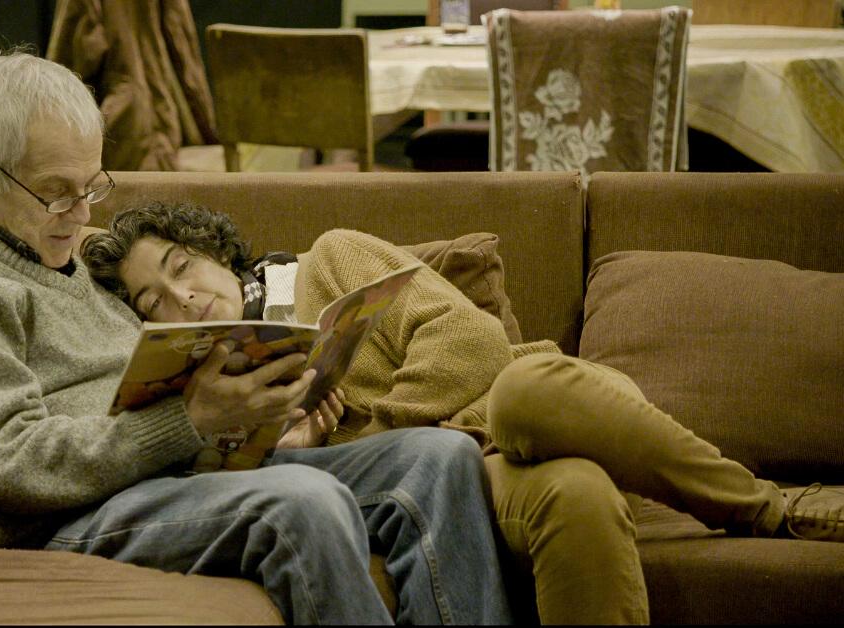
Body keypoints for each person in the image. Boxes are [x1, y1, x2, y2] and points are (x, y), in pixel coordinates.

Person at [0, 49, 512, 625]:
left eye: (91, 187)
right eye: (57, 193)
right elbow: (9, 465)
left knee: (438, 459)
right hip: (67, 516)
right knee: (303, 502)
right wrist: (189, 420)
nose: (82, 215)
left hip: (172, 476)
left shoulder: (56, 251)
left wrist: (253, 410)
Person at [81, 199, 825, 625]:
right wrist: (301, 449)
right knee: (578, 497)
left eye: (180, 269)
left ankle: (769, 508)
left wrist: (378, 430)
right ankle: (774, 509)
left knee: (526, 392)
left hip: (524, 418)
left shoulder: (329, 261)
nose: (182, 298)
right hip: (471, 480)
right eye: (155, 301)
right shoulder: (201, 389)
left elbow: (470, 342)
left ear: (213, 247)